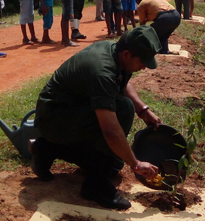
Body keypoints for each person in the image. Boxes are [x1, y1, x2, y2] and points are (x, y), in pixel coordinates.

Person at [31, 26, 162, 210]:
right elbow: (110, 130)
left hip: (68, 112)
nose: (144, 66)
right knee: (123, 109)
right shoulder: (102, 70)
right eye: (142, 61)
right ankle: (96, 187)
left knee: (114, 165)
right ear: (127, 54)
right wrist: (136, 164)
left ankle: (47, 148)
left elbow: (123, 82)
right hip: (54, 118)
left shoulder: (116, 53)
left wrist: (143, 109)